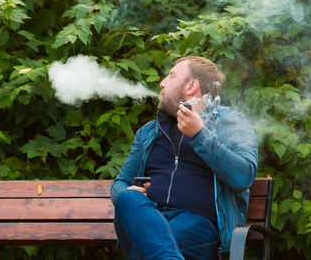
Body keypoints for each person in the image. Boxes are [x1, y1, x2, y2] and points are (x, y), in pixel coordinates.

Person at [110, 56, 258, 259]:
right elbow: (120, 183)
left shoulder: (230, 123)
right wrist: (128, 194)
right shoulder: (148, 132)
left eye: (170, 76)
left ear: (191, 86)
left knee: (146, 247)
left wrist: (199, 135)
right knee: (127, 197)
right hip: (147, 218)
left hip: (197, 227)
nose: (161, 82)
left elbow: (243, 177)